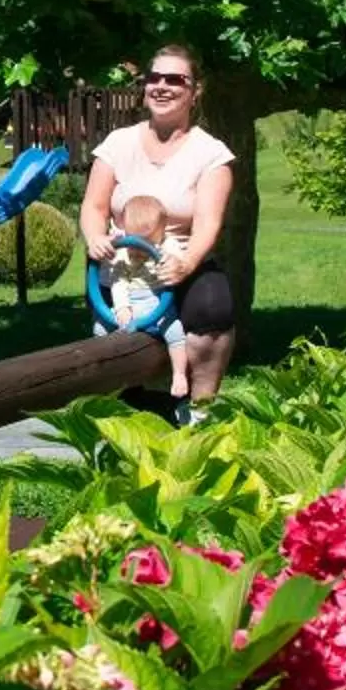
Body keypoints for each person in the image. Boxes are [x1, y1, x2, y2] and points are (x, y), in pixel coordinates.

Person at [80, 42, 238, 415]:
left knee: (214, 309)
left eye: (175, 79)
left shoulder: (211, 153)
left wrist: (187, 263)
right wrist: (95, 236)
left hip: (178, 264)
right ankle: (122, 409)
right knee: (112, 330)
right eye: (154, 78)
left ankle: (200, 411)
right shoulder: (118, 143)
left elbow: (208, 224)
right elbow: (94, 206)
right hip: (122, 266)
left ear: (194, 91)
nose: (162, 86)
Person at [99, 194, 193, 399]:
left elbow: (179, 261)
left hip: (158, 302)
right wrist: (123, 307)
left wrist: (174, 262)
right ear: (125, 230)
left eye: (148, 243)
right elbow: (118, 281)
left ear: (163, 230)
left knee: (175, 331)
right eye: (135, 243)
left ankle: (179, 374)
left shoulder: (168, 246)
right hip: (130, 302)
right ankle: (108, 379)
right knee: (100, 329)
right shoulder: (122, 250)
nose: (140, 251)